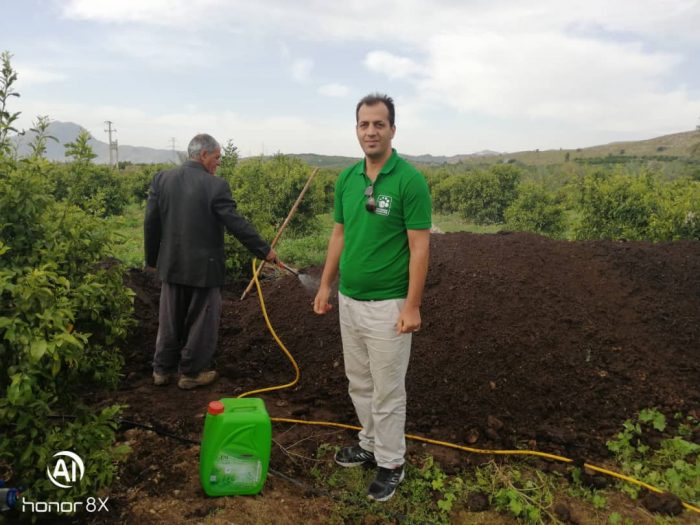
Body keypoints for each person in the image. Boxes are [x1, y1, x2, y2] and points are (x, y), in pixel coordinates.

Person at [313, 94, 432, 501]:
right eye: (364, 124)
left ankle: (391, 462)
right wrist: (326, 285)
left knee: (387, 389)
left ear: (392, 130)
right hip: (349, 299)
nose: (371, 131)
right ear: (356, 130)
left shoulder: (409, 180)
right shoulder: (347, 179)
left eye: (379, 124)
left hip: (389, 305)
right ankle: (369, 444)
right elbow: (339, 234)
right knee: (359, 381)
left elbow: (419, 248)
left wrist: (412, 305)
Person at [144, 133, 279, 390]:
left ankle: (161, 371)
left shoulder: (162, 179)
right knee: (201, 323)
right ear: (203, 155)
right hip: (205, 269)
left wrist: (153, 260)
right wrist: (265, 251)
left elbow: (151, 224)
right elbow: (236, 224)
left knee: (169, 319)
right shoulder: (215, 186)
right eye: (217, 158)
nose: (218, 163)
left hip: (171, 266)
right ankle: (191, 373)